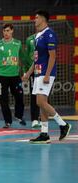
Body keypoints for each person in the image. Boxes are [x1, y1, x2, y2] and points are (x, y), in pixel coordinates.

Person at [23, 10, 71, 143]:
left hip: (46, 73)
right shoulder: (38, 36)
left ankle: (63, 124)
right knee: (42, 104)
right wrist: (28, 73)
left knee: (40, 102)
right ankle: (44, 134)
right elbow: (37, 59)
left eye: (36, 18)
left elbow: (53, 56)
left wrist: (48, 74)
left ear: (43, 19)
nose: (34, 20)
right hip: (38, 73)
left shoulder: (49, 34)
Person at [0, 23, 26, 128]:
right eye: (4, 31)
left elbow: (23, 59)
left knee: (19, 96)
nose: (6, 33)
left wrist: (25, 72)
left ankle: (19, 116)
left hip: (15, 76)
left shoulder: (18, 44)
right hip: (2, 77)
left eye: (8, 31)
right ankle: (7, 121)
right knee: (3, 100)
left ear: (12, 31)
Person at [24, 33, 41, 128]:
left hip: (43, 71)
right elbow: (26, 57)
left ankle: (43, 118)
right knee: (34, 95)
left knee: (43, 96)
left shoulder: (47, 36)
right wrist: (25, 72)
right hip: (33, 71)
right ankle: (34, 119)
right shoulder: (29, 39)